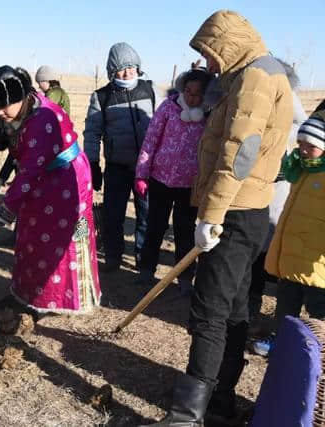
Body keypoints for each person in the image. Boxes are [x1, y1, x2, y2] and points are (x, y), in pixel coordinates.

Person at [143, 11, 294, 426]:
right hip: (248, 210)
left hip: (234, 211)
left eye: (211, 54)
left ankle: (186, 416)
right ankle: (221, 397)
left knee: (210, 311)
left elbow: (239, 152)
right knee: (233, 307)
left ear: (229, 44)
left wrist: (211, 215)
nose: (209, 65)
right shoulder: (261, 73)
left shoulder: (255, 79)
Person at [0, 65, 101, 314]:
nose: (1, 112)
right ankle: (29, 294)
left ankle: (59, 297)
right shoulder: (24, 109)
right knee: (32, 236)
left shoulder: (41, 119)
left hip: (67, 182)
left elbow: (30, 171)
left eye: (5, 106)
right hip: (45, 180)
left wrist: (4, 210)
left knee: (61, 242)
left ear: (20, 96)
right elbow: (27, 159)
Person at [251, 113, 325, 357]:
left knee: (318, 310)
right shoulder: (300, 170)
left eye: (311, 146)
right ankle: (281, 341)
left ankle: (317, 352)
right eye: (301, 144)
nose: (303, 150)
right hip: (291, 253)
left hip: (316, 265)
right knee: (285, 304)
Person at [248, 61, 308, 348]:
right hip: (250, 193)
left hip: (280, 196)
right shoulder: (251, 99)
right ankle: (248, 311)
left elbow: (305, 132)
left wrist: (287, 163)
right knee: (252, 257)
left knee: (269, 255)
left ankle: (283, 328)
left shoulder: (295, 119)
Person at [134, 69, 212, 290]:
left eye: (197, 94)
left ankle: (185, 277)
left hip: (190, 185)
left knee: (185, 231)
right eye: (187, 91)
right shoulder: (168, 107)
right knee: (155, 227)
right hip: (160, 179)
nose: (191, 97)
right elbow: (150, 140)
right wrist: (141, 173)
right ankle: (146, 270)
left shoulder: (210, 115)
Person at [84, 42, 156, 272]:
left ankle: (142, 256)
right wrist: (92, 164)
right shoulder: (101, 97)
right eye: (122, 69)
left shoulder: (150, 90)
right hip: (117, 167)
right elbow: (92, 133)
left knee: (147, 214)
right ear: (112, 71)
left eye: (132, 67)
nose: (128, 73)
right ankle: (113, 257)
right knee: (113, 215)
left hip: (146, 168)